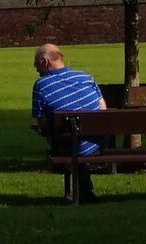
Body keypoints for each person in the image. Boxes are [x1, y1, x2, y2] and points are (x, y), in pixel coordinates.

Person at [29, 41, 110, 202]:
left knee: (68, 141)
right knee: (76, 139)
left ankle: (83, 194)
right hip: (98, 142)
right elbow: (103, 108)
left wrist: (43, 130)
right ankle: (86, 193)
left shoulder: (41, 85)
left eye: (36, 63)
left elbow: (42, 124)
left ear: (46, 62)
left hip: (68, 144)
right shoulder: (85, 77)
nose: (36, 69)